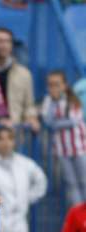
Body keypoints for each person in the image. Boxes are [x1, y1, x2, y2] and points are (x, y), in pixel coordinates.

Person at [41, 71, 86, 206]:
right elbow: (48, 121)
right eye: (50, 85)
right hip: (62, 149)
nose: (54, 88)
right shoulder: (48, 101)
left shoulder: (72, 98)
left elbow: (74, 120)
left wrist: (57, 123)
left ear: (65, 85)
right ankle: (79, 212)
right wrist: (55, 111)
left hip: (80, 147)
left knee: (84, 180)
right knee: (71, 182)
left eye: (57, 84)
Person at [0, 28, 39, 130]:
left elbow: (29, 104)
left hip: (13, 132)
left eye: (7, 41)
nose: (4, 45)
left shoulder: (24, 74)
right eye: (0, 41)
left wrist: (32, 118)